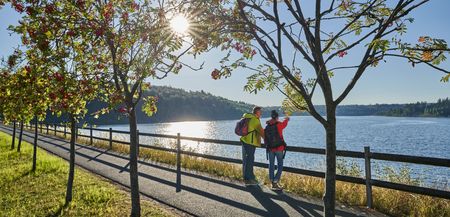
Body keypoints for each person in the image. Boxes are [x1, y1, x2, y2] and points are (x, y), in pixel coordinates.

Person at [240, 106, 265, 186]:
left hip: (244, 140)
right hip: (250, 143)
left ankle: (248, 178)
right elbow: (262, 132)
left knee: (246, 160)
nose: (261, 114)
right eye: (260, 112)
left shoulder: (247, 117)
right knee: (250, 160)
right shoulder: (255, 120)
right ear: (256, 112)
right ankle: (249, 180)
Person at [265, 110, 289, 190]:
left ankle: (272, 181)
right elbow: (285, 123)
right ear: (277, 117)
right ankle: (275, 181)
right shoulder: (279, 124)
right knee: (280, 165)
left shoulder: (267, 126)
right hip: (279, 148)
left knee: (271, 165)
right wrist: (287, 118)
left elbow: (266, 138)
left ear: (272, 117)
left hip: (270, 149)